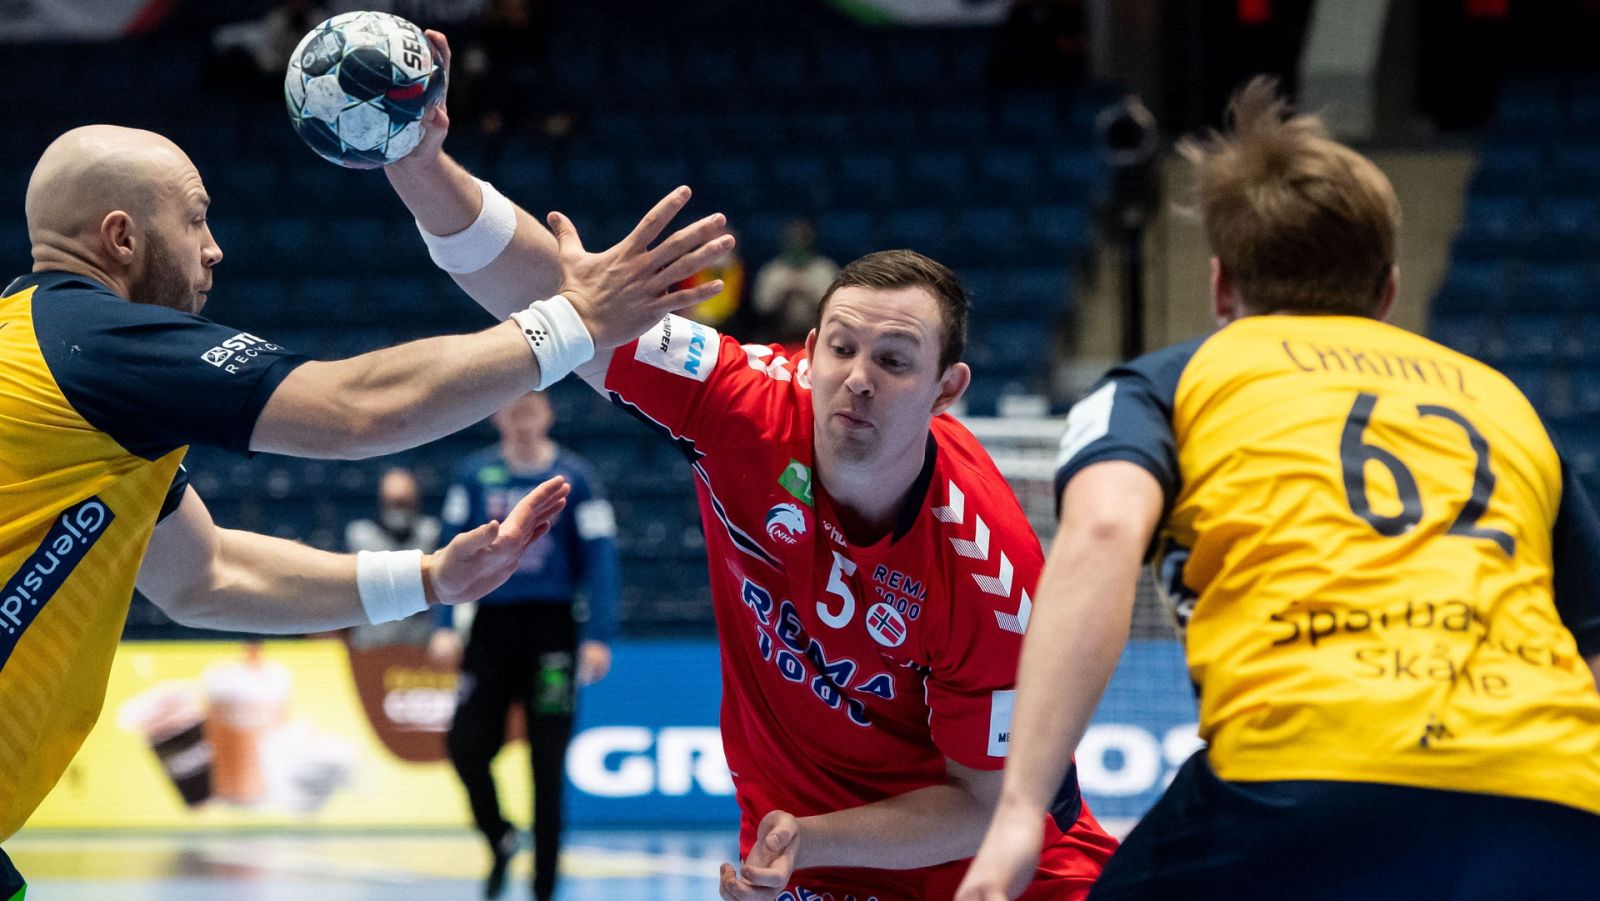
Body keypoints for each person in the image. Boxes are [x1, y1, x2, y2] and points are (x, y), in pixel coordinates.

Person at [382, 33, 1118, 900]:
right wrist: (418, 161)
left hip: (991, 865)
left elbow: (987, 806)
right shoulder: (742, 401)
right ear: (809, 347)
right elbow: (546, 294)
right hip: (795, 854)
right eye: (840, 347)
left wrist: (812, 835)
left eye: (894, 360)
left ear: (947, 389)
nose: (857, 378)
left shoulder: (990, 572)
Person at [0, 119, 731, 896]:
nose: (214, 248)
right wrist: (575, 319)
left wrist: (428, 578)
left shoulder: (52, 369)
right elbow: (356, 410)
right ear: (120, 237)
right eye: (194, 219)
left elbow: (205, 575)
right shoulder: (91, 343)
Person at [957, 78, 1600, 901]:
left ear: (1222, 286)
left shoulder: (1167, 383)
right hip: (1553, 794)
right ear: (1388, 290)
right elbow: (1591, 639)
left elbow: (1104, 535)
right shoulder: (1503, 403)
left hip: (1305, 774)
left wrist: (1018, 810)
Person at [429, 391, 620, 900]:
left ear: (548, 415)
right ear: (496, 416)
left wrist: (598, 636)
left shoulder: (575, 478)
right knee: (466, 746)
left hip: (551, 632)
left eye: (530, 410)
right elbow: (446, 549)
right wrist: (444, 624)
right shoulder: (474, 475)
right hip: (490, 627)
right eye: (512, 411)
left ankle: (544, 888)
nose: (521, 420)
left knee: (547, 763)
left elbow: (601, 559)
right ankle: (500, 836)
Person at [345, 467, 443, 647]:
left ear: (416, 502)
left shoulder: (431, 533)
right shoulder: (360, 536)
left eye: (405, 503)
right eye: (394, 503)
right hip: (372, 644)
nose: (398, 510)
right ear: (382, 502)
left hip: (421, 643)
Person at [746, 219, 839, 347]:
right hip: (779, 337)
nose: (798, 243)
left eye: (803, 238)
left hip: (819, 338)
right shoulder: (772, 271)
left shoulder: (825, 269)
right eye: (793, 239)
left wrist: (807, 293)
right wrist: (784, 295)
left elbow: (836, 308)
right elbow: (761, 308)